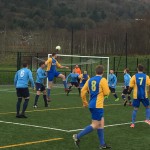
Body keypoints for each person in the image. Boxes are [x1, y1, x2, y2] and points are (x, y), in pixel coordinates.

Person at [73, 65, 111, 149]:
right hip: (98, 105)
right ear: (103, 72)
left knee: (101, 123)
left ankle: (102, 144)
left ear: (95, 72)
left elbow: (82, 91)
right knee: (95, 124)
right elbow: (107, 93)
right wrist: (104, 94)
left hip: (91, 104)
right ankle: (77, 136)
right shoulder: (103, 79)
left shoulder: (90, 79)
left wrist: (85, 102)